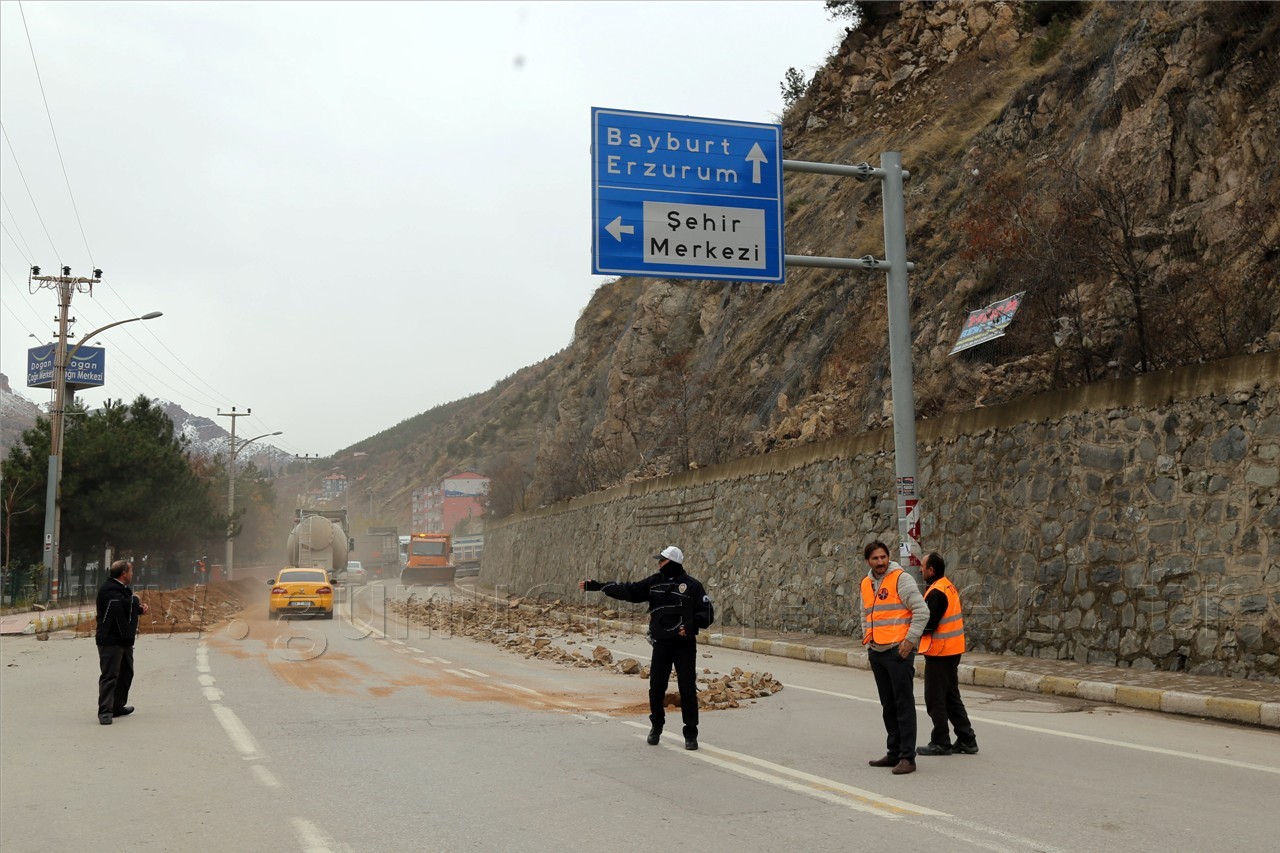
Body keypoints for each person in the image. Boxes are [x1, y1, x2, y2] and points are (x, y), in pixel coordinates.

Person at [580, 546, 714, 751]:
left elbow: (707, 614)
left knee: (687, 689)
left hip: (684, 646)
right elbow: (628, 590)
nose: (659, 564)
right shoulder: (654, 582)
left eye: (662, 560)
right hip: (661, 645)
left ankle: (691, 734)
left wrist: (690, 625)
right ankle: (656, 727)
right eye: (659, 560)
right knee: (656, 688)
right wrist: (599, 586)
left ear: (673, 563)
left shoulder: (692, 586)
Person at [859, 540, 929, 775]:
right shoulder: (866, 584)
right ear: (868, 561)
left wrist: (910, 641)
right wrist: (867, 639)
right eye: (875, 558)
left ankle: (908, 757)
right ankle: (894, 752)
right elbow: (865, 613)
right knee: (888, 705)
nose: (880, 562)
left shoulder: (901, 579)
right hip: (877, 652)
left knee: (903, 705)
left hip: (898, 653)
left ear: (888, 558)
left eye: (883, 557)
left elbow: (922, 611)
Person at [916, 552, 979, 756]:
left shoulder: (937, 592)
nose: (920, 569)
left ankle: (941, 741)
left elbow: (929, 624)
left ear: (931, 570)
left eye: (923, 566)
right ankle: (967, 739)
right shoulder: (946, 586)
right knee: (951, 697)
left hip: (941, 652)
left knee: (935, 699)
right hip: (951, 650)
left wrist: (910, 631)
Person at [95, 560, 149, 725]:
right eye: (131, 571)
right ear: (124, 573)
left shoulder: (121, 589)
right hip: (110, 640)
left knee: (126, 673)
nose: (132, 574)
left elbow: (126, 607)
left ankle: (118, 706)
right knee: (110, 676)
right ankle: (105, 711)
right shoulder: (109, 589)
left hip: (124, 639)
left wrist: (139, 609)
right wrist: (136, 603)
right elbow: (119, 606)